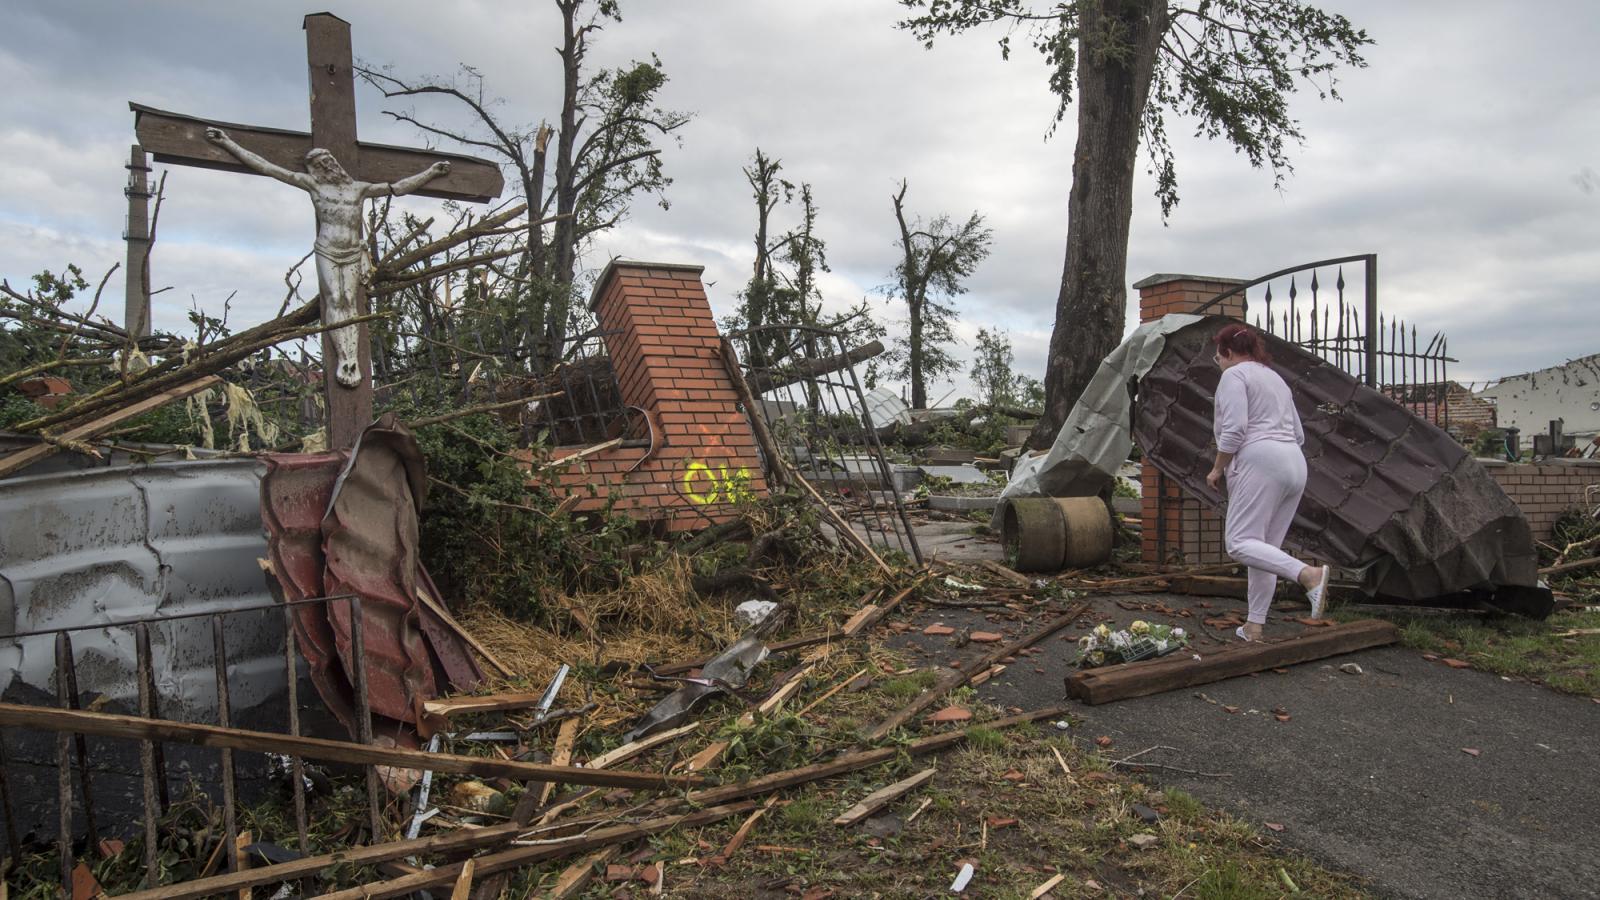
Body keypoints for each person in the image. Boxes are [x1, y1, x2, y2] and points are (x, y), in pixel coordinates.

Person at [204, 127, 450, 388]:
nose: (326, 167)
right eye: (320, 165)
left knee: (350, 302)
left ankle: (352, 358)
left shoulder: (359, 189)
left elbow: (397, 187)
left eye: (328, 162)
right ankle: (343, 358)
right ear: (315, 170)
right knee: (335, 298)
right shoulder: (314, 185)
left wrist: (431, 172)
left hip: (353, 250)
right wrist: (229, 143)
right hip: (327, 249)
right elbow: (268, 167)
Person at [1205, 323, 1331, 641]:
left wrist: (1217, 469)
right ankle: (1254, 626)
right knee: (1263, 549)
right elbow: (1300, 434)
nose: (1217, 361)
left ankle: (1309, 575)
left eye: (1218, 355)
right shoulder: (1275, 378)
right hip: (1293, 462)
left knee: (1238, 543)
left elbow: (1234, 430)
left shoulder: (1234, 375)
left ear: (1228, 352)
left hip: (1260, 460)